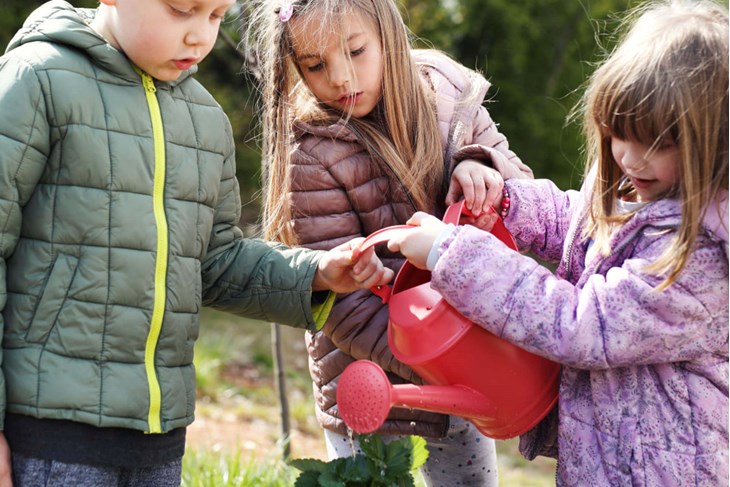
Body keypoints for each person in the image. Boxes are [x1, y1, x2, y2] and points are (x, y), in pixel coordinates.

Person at [0, 0, 395, 486]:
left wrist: (314, 272)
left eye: (214, 17)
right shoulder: (37, 80)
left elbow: (216, 260)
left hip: (160, 438)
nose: (199, 37)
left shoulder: (203, 120)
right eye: (181, 10)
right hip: (47, 433)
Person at [386, 0, 729, 485]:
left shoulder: (702, 261)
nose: (630, 158)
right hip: (602, 463)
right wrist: (505, 203)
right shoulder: (645, 191)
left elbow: (583, 323)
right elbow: (580, 223)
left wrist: (452, 253)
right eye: (619, 134)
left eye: (659, 143)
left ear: (713, 144)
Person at [244, 0, 533, 484]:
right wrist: (443, 364)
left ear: (388, 35)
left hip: (463, 370)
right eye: (315, 65)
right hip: (372, 389)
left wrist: (482, 166)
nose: (339, 78)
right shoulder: (313, 154)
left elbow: (524, 196)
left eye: (355, 51)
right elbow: (342, 307)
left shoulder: (448, 99)